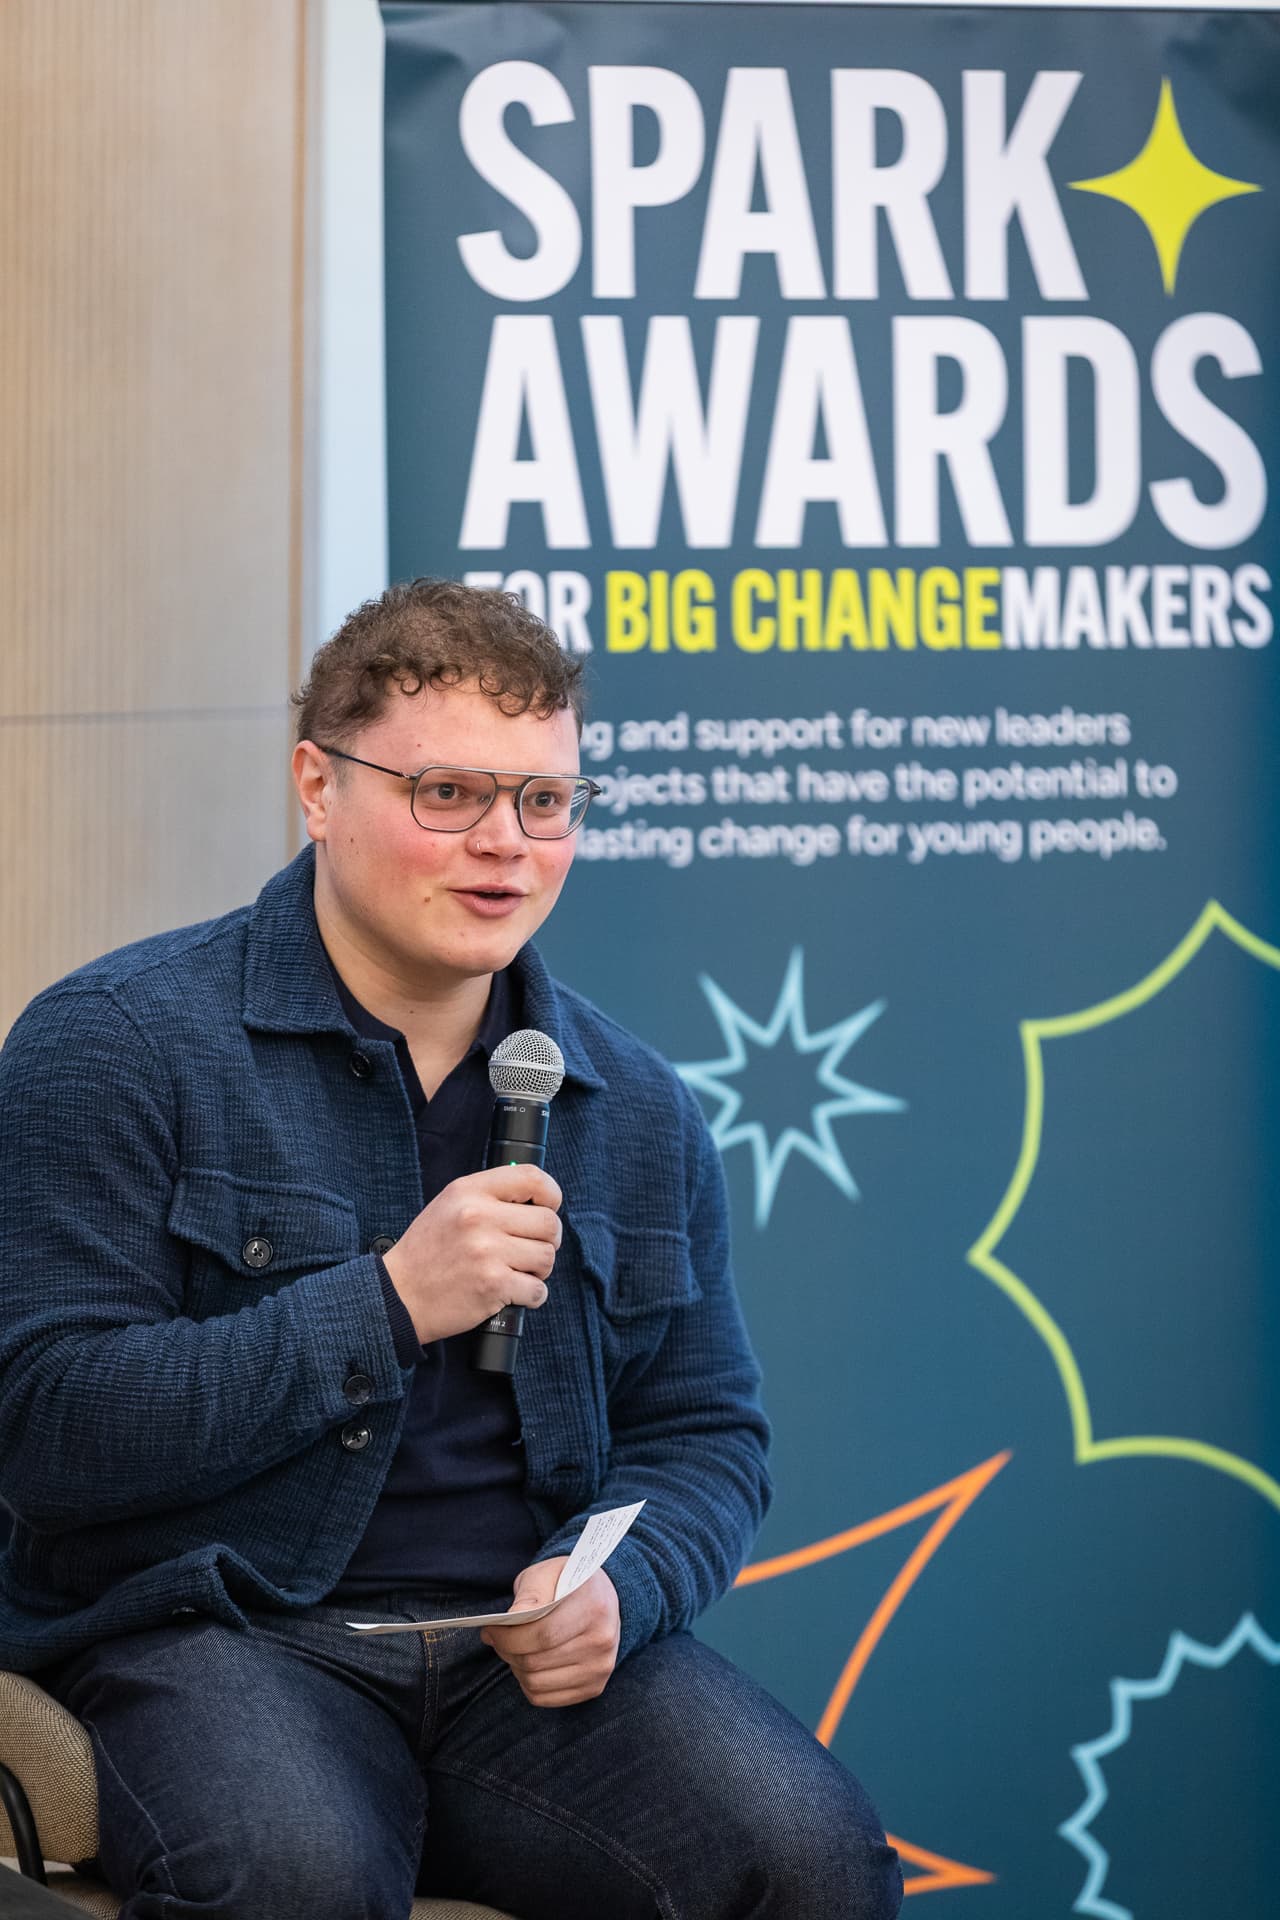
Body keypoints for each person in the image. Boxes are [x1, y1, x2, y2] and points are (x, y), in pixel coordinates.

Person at [0, 580, 903, 1920]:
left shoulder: (633, 1103)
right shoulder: (116, 1045)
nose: (504, 845)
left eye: (545, 801)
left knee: (810, 1856)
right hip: (222, 1634)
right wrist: (386, 1304)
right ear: (318, 786)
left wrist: (624, 1585)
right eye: (448, 794)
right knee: (293, 1876)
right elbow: (46, 1427)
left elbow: (705, 1432)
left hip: (514, 1666)